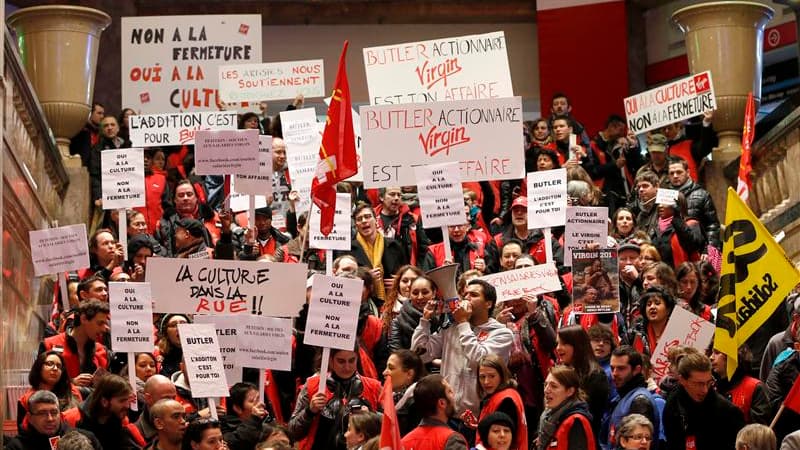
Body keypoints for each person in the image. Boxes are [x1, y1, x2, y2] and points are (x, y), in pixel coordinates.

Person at [412, 279, 513, 415]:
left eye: (474, 295)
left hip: (479, 414)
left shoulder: (502, 333)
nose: (466, 298)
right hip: (446, 412)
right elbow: (420, 355)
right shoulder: (451, 329)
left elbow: (480, 359)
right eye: (465, 295)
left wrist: (463, 322)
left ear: (488, 304)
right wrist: (425, 321)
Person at [288, 348, 381, 450]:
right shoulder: (312, 386)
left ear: (357, 359)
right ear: (331, 361)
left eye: (351, 360)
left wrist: (371, 417)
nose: (347, 367)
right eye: (341, 361)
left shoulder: (373, 387)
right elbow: (292, 432)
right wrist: (309, 412)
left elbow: (389, 429)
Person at [662, 353, 745, 450]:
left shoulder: (727, 412)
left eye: (708, 383)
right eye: (699, 384)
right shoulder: (673, 404)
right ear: (682, 380)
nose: (705, 390)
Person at [340, 203, 408, 301]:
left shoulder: (395, 245)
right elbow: (343, 282)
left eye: (367, 217)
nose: (364, 221)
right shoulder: (348, 250)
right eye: (359, 219)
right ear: (356, 225)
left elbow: (407, 273)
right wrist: (366, 278)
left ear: (376, 220)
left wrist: (399, 282)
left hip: (392, 300)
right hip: (364, 302)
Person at [63, 374, 146, 449]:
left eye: (127, 400)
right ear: (104, 402)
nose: (127, 406)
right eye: (122, 401)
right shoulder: (71, 419)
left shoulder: (122, 419)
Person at [40, 300, 110, 386]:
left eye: (105, 324)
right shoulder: (49, 344)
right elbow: (38, 381)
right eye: (100, 323)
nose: (104, 329)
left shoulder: (103, 351)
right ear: (83, 319)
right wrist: (71, 383)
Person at [604, 346, 660, 449]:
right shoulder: (622, 396)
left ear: (636, 370)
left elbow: (639, 445)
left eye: (621, 368)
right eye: (612, 368)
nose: (614, 373)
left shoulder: (640, 401)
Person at [7, 390, 101, 450]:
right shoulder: (16, 447)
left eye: (54, 412)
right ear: (30, 418)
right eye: (42, 413)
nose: (50, 419)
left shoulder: (86, 438)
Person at [400, 374, 469, 450]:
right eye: (449, 391)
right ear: (442, 403)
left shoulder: (403, 443)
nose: (453, 394)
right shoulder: (452, 440)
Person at [535, 365, 596, 450]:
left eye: (554, 386)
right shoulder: (548, 416)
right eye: (545, 385)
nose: (546, 390)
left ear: (570, 391)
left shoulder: (576, 422)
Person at [667, 157, 721, 254]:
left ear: (687, 173)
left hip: (696, 251)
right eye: (671, 173)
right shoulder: (664, 196)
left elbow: (712, 226)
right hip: (671, 251)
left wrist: (708, 250)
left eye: (679, 172)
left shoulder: (702, 195)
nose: (675, 176)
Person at [17, 351, 83, 430]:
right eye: (50, 364)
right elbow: (23, 430)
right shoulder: (26, 399)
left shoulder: (72, 391)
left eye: (59, 366)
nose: (55, 368)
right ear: (39, 367)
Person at [475, 355, 527, 450]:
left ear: (502, 376)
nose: (486, 381)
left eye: (492, 376)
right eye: (482, 377)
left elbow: (502, 442)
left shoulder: (506, 401)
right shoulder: (507, 393)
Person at [711, 347, 771, 425]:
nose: (711, 357)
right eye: (711, 352)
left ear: (732, 355)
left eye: (717, 353)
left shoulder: (755, 387)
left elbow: (759, 431)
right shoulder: (709, 388)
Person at [375, 186, 429, 265]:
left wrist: (417, 269)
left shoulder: (413, 219)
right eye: (392, 194)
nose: (396, 198)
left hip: (406, 271)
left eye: (399, 195)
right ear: (381, 197)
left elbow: (423, 248)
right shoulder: (372, 219)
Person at [383, 349, 427, 436]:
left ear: (409, 374)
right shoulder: (395, 397)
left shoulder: (418, 404)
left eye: (391, 368)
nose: (384, 372)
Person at [390, 275, 439, 353]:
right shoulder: (397, 322)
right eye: (415, 293)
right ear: (409, 294)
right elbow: (397, 355)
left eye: (425, 292)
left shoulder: (442, 318)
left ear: (434, 293)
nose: (420, 297)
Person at [422, 222, 487, 276]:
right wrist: (442, 272)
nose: (456, 230)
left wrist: (485, 269)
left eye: (460, 225)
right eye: (452, 226)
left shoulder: (479, 248)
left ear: (467, 226)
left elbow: (493, 276)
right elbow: (427, 280)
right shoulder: (434, 251)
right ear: (445, 228)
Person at [221, 382, 272, 450]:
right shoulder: (223, 427)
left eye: (259, 400)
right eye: (252, 401)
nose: (259, 404)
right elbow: (239, 442)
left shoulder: (264, 421)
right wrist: (254, 419)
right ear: (237, 408)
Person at [629, 287, 677, 357]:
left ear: (668, 310)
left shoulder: (678, 330)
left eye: (657, 303)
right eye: (648, 304)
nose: (652, 307)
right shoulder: (634, 332)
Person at [136, 374, 179, 445]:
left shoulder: (182, 426)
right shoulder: (134, 435)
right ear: (148, 398)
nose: (172, 403)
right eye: (166, 398)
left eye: (174, 398)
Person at [382, 265, 424, 334]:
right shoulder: (388, 309)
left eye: (414, 280)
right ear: (398, 284)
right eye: (405, 281)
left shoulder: (429, 308)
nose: (409, 284)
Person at [70, 102, 104, 167]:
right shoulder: (79, 131)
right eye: (99, 113)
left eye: (103, 114)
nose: (102, 116)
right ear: (90, 113)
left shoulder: (101, 134)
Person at [156, 314, 190, 378]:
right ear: (166, 333)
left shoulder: (201, 355)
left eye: (183, 324)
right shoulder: (157, 357)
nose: (179, 328)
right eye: (173, 325)